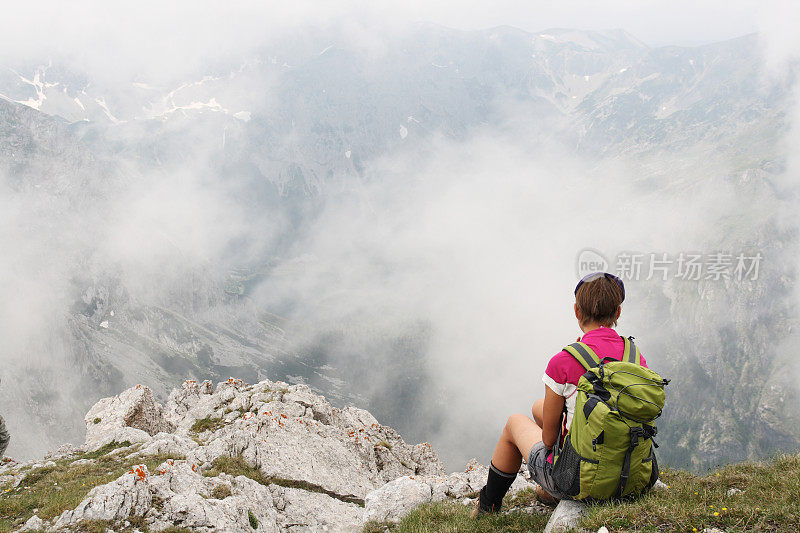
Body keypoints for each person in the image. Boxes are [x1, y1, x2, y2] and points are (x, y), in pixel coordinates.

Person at [472, 272, 649, 514]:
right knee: (538, 406)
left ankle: (487, 506)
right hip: (630, 476)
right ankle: (549, 492)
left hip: (580, 480)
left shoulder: (564, 361)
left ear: (577, 311)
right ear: (618, 312)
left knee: (514, 423)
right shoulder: (635, 358)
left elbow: (547, 439)